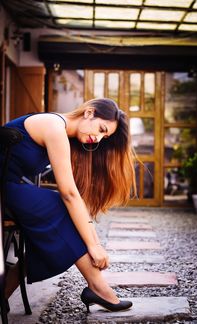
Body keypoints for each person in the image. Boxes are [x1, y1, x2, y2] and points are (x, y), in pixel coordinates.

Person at [1, 98, 136, 312]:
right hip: (4, 188)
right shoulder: (54, 126)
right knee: (58, 204)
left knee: (53, 226)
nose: (98, 138)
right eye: (101, 129)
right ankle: (98, 287)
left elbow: (75, 198)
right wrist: (94, 247)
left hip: (8, 188)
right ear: (89, 113)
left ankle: (3, 292)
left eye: (104, 136)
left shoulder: (63, 132)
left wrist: (95, 242)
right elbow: (69, 194)